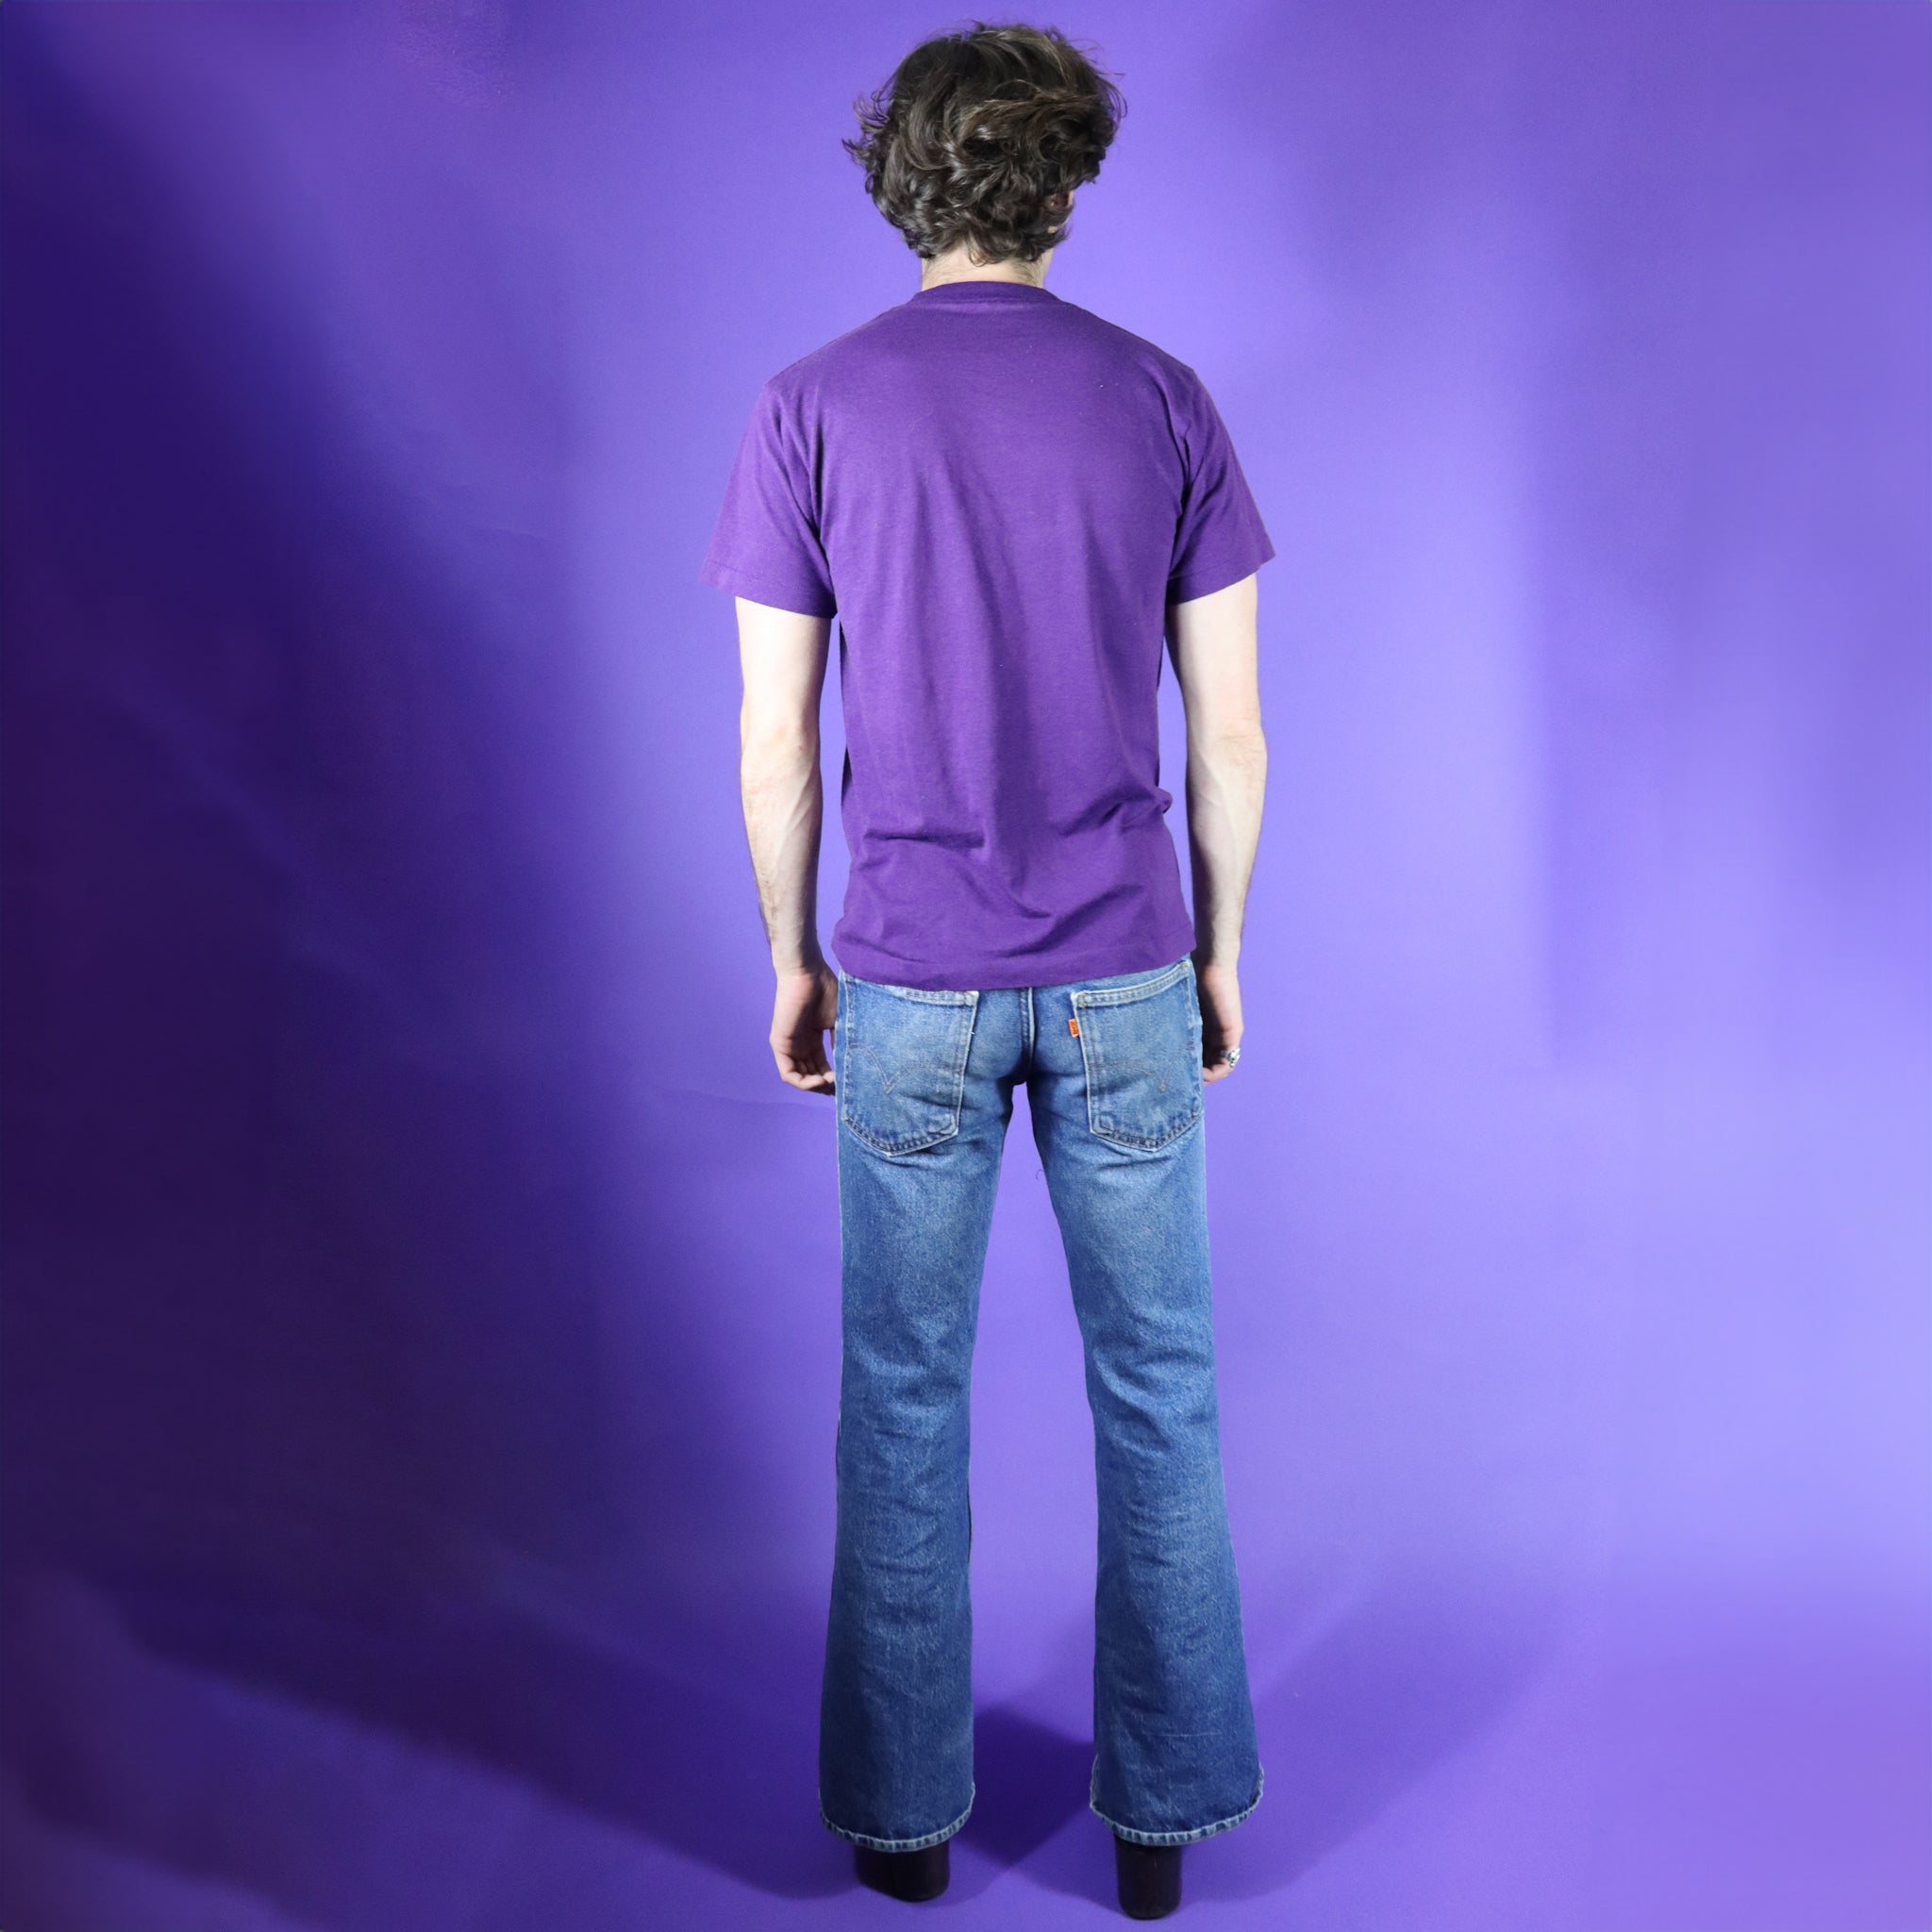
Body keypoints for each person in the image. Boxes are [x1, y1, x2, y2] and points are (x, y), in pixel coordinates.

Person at [699, 22, 1271, 1922]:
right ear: (1065, 184)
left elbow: (777, 744)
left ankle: (901, 1830)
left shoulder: (810, 405)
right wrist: (1220, 950)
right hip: (1125, 969)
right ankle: (1160, 1835)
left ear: (902, 181)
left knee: (901, 1402)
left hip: (910, 982)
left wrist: (792, 955)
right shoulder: (1163, 398)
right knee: (1160, 1398)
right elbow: (1232, 738)